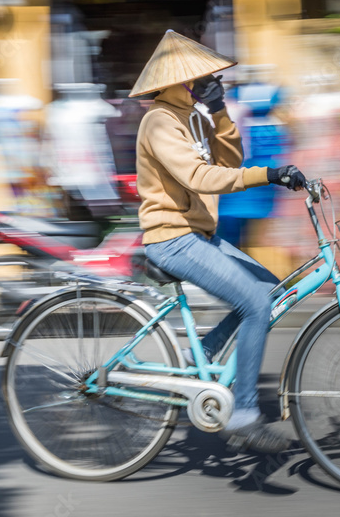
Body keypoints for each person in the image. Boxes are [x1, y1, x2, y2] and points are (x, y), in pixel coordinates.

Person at [130, 30, 306, 454]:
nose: (208, 81)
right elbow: (200, 178)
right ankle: (243, 414)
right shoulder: (159, 120)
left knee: (269, 291)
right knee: (256, 304)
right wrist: (269, 174)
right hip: (171, 238)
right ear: (177, 81)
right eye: (200, 78)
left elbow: (229, 162)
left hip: (197, 235)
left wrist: (219, 111)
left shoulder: (192, 118)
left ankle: (200, 356)